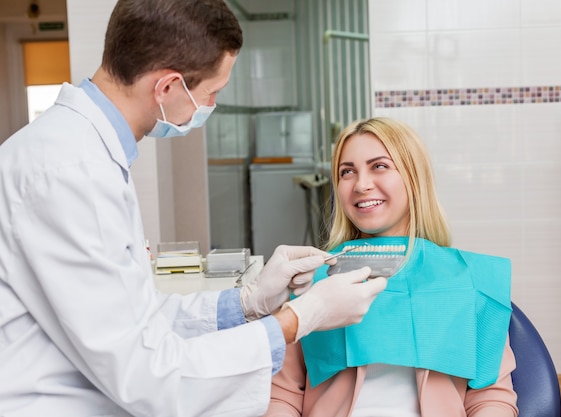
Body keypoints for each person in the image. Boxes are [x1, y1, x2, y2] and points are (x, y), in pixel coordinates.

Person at [0, 1, 388, 416]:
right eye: (212, 93)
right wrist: (299, 318)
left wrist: (249, 301)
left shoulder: (83, 154)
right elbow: (146, 374)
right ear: (167, 87)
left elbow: (137, 318)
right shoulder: (71, 171)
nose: (211, 106)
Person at [264, 117, 519, 417]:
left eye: (379, 166)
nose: (361, 185)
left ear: (414, 178)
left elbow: (491, 398)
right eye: (347, 172)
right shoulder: (308, 283)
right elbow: (281, 397)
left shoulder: (468, 281)